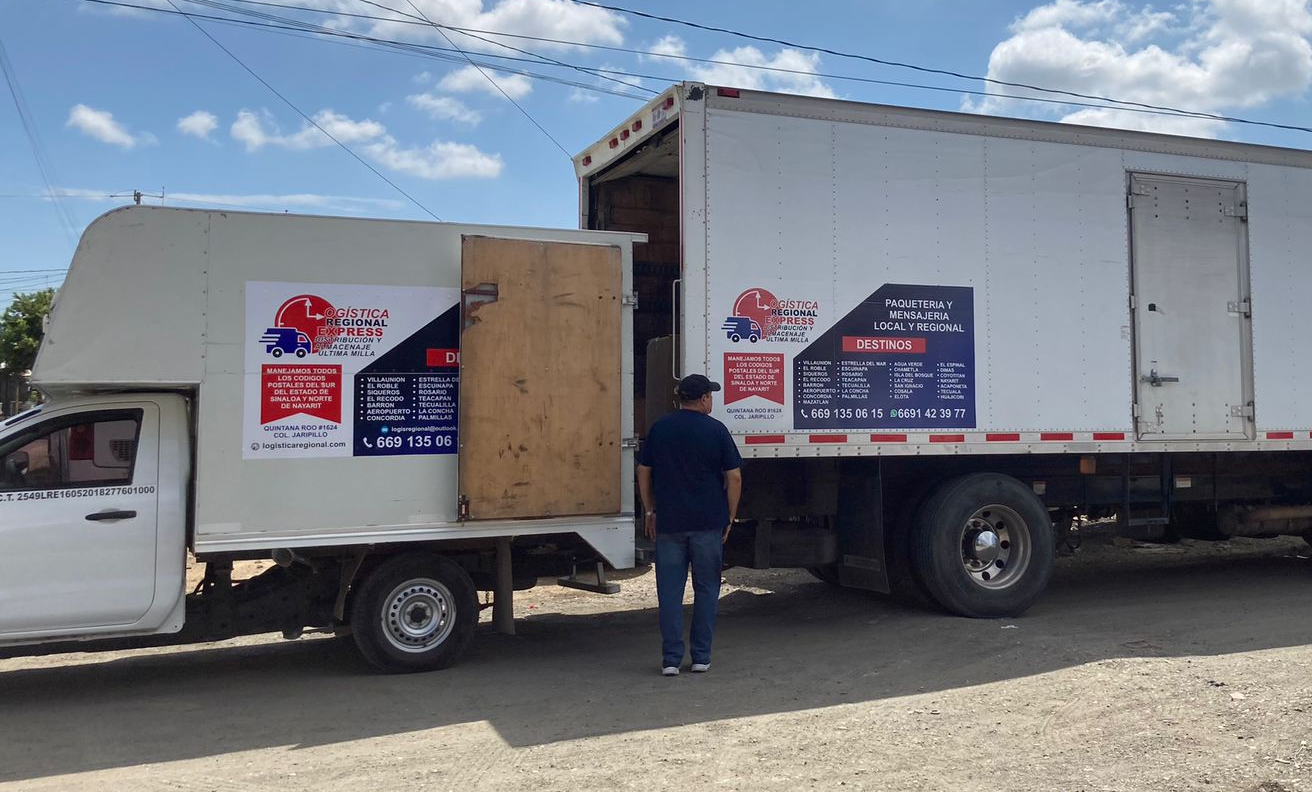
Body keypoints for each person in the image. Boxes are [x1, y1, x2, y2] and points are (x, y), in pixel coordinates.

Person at [637, 373, 743, 677]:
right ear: (705, 399)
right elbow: (734, 476)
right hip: (708, 523)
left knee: (670, 592)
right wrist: (730, 515)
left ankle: (670, 660)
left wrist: (649, 511)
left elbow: (644, 471)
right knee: (707, 589)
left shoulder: (660, 429)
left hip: (669, 523)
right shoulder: (716, 430)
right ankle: (700, 657)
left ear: (680, 398)